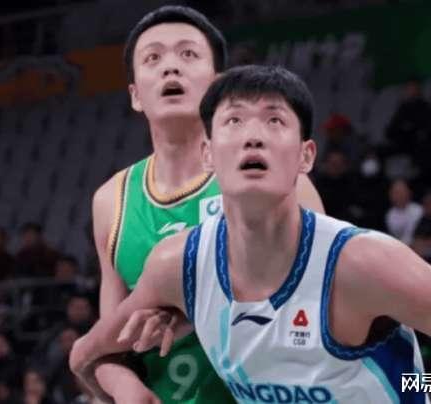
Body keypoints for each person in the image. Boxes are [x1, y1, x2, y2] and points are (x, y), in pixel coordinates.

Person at [71, 65, 431, 403]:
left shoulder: (363, 266)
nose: (253, 135)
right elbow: (87, 357)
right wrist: (128, 390)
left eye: (274, 121)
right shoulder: (177, 268)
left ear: (306, 156)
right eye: (234, 121)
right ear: (207, 153)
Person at [91, 6, 323, 404]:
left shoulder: (280, 177)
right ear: (135, 96)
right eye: (152, 58)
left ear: (217, 86)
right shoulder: (111, 200)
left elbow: (321, 309)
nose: (170, 68)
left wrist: (193, 310)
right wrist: (122, 385)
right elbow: (107, 343)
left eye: (188, 54)